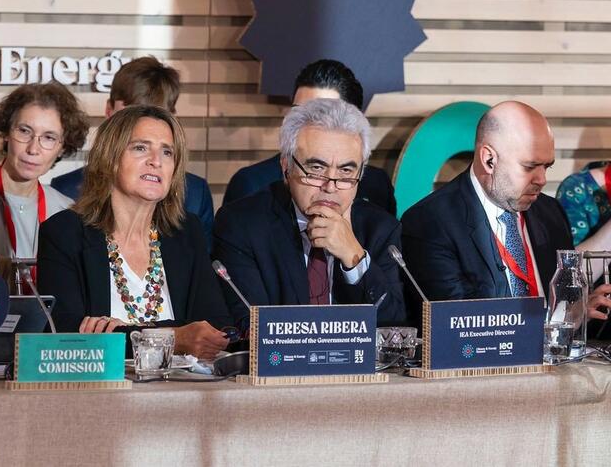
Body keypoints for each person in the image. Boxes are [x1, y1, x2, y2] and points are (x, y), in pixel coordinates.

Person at [38, 105, 231, 359]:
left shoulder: (186, 232)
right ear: (110, 158)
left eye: (167, 152)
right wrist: (175, 336)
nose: (156, 161)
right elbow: (65, 335)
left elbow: (215, 328)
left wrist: (126, 332)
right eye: (140, 148)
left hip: (183, 383)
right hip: (103, 383)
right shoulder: (64, 232)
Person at [401, 101, 611, 326]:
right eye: (529, 167)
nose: (542, 180)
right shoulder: (430, 222)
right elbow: (459, 325)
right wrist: (548, 324)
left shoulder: (550, 212)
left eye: (546, 166)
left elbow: (561, 304)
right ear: (488, 160)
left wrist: (574, 312)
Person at [213, 98, 406, 330]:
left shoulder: (380, 229)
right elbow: (250, 326)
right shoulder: (242, 225)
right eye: (316, 169)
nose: (330, 186)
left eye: (346, 171)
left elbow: (394, 329)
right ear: (286, 166)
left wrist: (354, 258)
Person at [51, 57, 215, 249]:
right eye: (130, 114)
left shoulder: (195, 195)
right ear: (109, 110)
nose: (144, 124)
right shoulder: (65, 189)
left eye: (156, 114)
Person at [222, 59, 396, 215]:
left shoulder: (377, 184)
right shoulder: (252, 183)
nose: (303, 121)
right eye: (298, 111)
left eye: (321, 113)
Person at [0, 83, 89, 264]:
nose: (33, 149)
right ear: (6, 132)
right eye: (24, 131)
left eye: (49, 137)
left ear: (62, 147)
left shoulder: (67, 211)